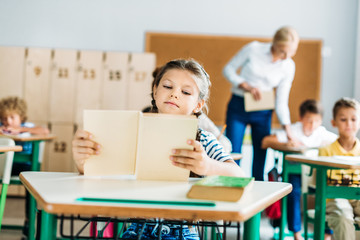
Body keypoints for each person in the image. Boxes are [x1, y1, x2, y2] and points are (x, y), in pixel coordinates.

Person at [72, 59, 245, 239]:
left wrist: (208, 166)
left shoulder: (203, 140)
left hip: (183, 231)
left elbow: (239, 176)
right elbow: (95, 175)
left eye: (186, 92)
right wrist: (82, 161)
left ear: (198, 105)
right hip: (136, 229)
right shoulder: (132, 132)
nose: (174, 94)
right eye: (167, 86)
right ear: (155, 91)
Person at [223, 26, 299, 181]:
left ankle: (257, 200)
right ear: (275, 43)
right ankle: (232, 189)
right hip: (238, 107)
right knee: (233, 153)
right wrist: (245, 85)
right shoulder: (253, 49)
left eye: (291, 52)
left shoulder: (288, 66)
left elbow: (281, 100)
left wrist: (288, 129)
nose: (286, 56)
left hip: (263, 111)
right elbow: (228, 69)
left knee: (260, 156)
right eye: (283, 51)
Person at [262, 99, 337, 240]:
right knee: (293, 192)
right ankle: (296, 233)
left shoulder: (321, 132)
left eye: (316, 121)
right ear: (301, 118)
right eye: (309, 120)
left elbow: (340, 142)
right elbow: (266, 141)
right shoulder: (293, 130)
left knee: (328, 192)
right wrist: (287, 142)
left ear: (321, 121)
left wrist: (326, 145)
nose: (312, 125)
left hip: (315, 174)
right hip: (295, 172)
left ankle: (327, 233)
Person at [0, 96, 50, 238]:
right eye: (4, 118)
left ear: (21, 117)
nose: (8, 121)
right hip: (4, 166)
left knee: (31, 185)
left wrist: (20, 129)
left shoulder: (27, 127)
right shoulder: (2, 127)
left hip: (24, 166)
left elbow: (44, 131)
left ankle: (29, 221)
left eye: (11, 117)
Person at [317, 98, 360, 240]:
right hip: (335, 198)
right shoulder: (326, 150)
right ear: (334, 122)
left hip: (357, 196)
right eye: (343, 119)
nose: (349, 124)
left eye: (353, 119)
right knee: (343, 217)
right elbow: (320, 181)